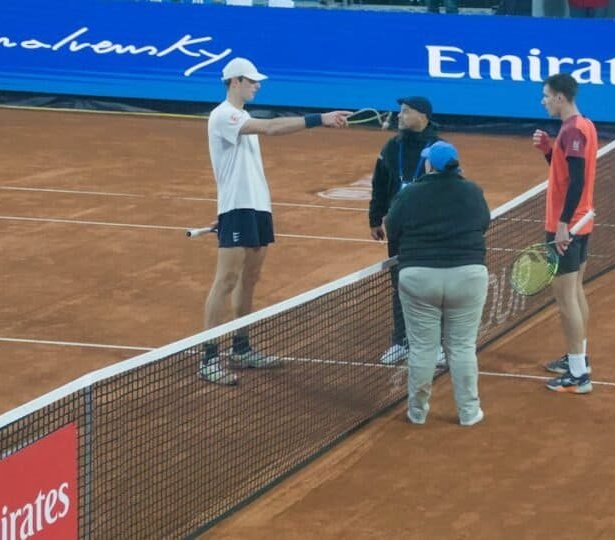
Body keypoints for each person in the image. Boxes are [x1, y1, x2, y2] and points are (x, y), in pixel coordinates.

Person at [199, 57, 351, 385]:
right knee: (225, 280)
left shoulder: (242, 116)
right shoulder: (224, 115)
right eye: (252, 81)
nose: (258, 85)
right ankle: (208, 356)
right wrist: (319, 119)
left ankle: (240, 347)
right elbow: (272, 128)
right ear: (235, 81)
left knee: (249, 280)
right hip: (237, 209)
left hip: (257, 208)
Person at [385, 141, 491, 426]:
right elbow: (483, 223)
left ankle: (417, 413)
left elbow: (391, 229)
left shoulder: (409, 194)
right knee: (462, 348)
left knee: (422, 349)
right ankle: (469, 413)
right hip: (467, 278)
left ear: (430, 165)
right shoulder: (472, 191)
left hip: (419, 278)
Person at [531, 73, 598, 394]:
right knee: (577, 292)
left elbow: (577, 182)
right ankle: (579, 358)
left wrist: (561, 225)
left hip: (567, 226)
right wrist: (548, 150)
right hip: (583, 221)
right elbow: (565, 173)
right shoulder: (583, 125)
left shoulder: (572, 130)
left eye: (546, 95)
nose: (543, 100)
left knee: (565, 298)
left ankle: (578, 375)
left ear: (560, 97)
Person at [368, 96, 445, 366]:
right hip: (399, 227)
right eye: (400, 111)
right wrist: (375, 217)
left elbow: (450, 187)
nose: (399, 116)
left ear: (422, 116)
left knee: (430, 286)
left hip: (429, 228)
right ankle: (401, 341)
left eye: (406, 112)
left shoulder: (438, 148)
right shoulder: (392, 147)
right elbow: (380, 183)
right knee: (400, 285)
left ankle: (435, 345)